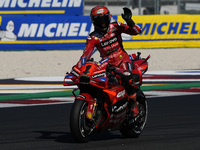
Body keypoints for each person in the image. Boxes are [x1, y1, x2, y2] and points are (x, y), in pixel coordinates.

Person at [74, 6, 142, 119]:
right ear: (94, 21)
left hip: (124, 61)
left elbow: (137, 31)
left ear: (108, 18)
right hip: (108, 65)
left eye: (104, 19)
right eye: (99, 20)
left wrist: (129, 21)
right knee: (100, 84)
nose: (102, 23)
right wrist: (78, 69)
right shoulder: (93, 38)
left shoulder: (116, 27)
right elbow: (85, 56)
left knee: (128, 79)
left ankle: (133, 106)